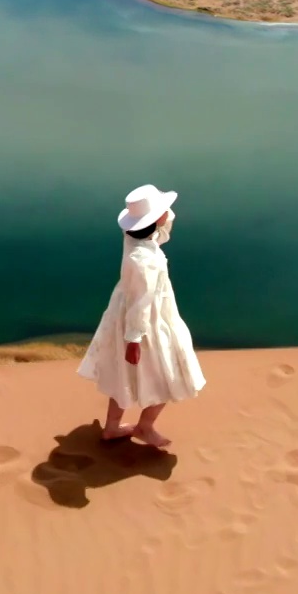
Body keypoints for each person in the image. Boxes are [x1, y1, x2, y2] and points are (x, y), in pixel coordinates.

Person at [77, 184, 205, 448]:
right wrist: (134, 339)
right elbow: (142, 301)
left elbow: (162, 229)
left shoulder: (133, 239)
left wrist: (158, 213)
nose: (169, 214)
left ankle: (112, 428)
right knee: (168, 375)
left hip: (125, 314)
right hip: (146, 321)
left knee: (122, 376)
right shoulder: (145, 260)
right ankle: (144, 427)